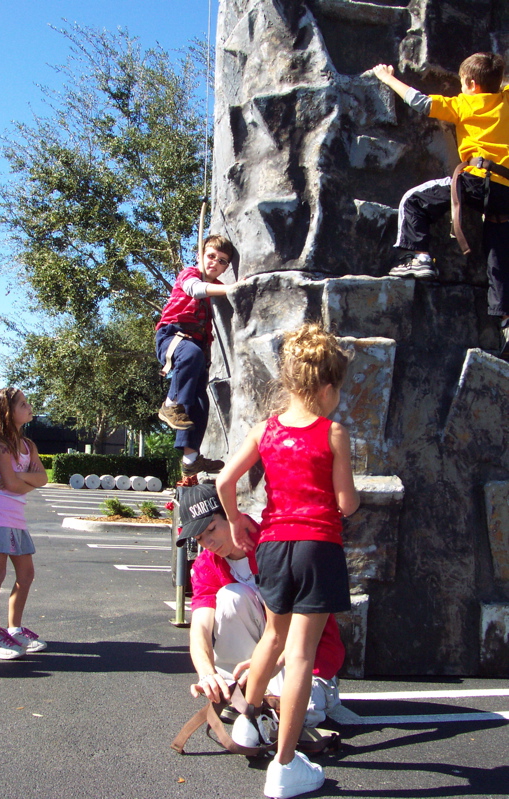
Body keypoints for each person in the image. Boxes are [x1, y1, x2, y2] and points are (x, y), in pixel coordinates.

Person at [216, 323, 360, 799]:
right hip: (318, 547)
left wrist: (237, 521)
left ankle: (246, 720)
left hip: (274, 546)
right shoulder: (333, 432)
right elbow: (345, 504)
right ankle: (284, 765)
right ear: (325, 387)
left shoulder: (266, 429)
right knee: (300, 654)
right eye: (337, 387)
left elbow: (223, 483)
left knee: (273, 638)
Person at [373, 53, 509, 357]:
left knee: (415, 200)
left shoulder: (464, 104)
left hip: (477, 181)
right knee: (499, 250)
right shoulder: (506, 99)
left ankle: (419, 256)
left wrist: (386, 77)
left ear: (471, 84)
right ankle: (505, 319)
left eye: (462, 84)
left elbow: (419, 101)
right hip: (507, 190)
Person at [177, 483, 345, 729]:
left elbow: (305, 625)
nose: (209, 543)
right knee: (231, 596)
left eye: (212, 529)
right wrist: (206, 673)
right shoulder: (206, 564)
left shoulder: (275, 542)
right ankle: (235, 686)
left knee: (302, 716)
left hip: (304, 655)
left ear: (230, 513)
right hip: (259, 662)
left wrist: (267, 667)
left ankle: (304, 691)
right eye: (200, 538)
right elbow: (200, 627)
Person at [156, 234, 237, 477]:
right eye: (210, 256)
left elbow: (228, 292)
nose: (214, 263)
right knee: (190, 355)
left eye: (222, 261)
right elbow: (195, 289)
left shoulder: (218, 287)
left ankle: (191, 459)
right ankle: (169, 405)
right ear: (200, 256)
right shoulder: (189, 274)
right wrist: (230, 288)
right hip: (174, 336)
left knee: (200, 403)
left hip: (199, 348)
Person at [0, 388, 48, 659]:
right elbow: (21, 483)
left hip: (16, 518)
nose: (29, 407)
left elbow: (40, 479)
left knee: (26, 574)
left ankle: (14, 630)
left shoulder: (29, 445)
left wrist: (21, 480)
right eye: (23, 404)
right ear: (7, 412)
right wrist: (25, 480)